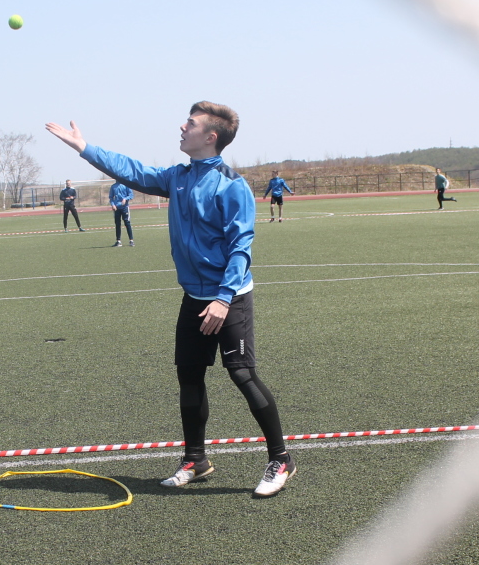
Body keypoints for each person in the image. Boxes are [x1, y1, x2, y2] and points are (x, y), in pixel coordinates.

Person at [46, 101, 295, 497]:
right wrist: (85, 147)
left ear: (211, 136)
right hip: (194, 297)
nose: (182, 127)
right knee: (189, 376)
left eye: (190, 123)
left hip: (229, 300)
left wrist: (224, 298)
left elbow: (241, 246)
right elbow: (134, 170)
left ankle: (281, 459)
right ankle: (195, 459)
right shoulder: (177, 177)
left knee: (242, 375)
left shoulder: (232, 185)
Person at [109, 181, 134, 247]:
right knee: (117, 224)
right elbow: (111, 197)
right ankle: (118, 241)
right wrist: (113, 205)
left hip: (124, 207)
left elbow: (131, 195)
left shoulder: (126, 185)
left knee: (127, 223)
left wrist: (125, 199)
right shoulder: (113, 186)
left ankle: (131, 240)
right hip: (116, 208)